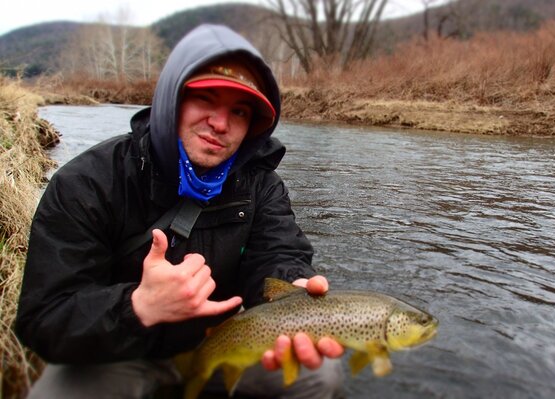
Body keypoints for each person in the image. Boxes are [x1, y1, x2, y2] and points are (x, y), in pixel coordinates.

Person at [15, 24, 344, 398]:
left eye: (238, 111)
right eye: (205, 99)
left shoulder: (261, 184)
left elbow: (278, 256)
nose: (220, 124)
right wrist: (137, 307)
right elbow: (45, 320)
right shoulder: (88, 182)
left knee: (320, 374)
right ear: (173, 100)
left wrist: (293, 291)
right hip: (117, 354)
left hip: (218, 341)